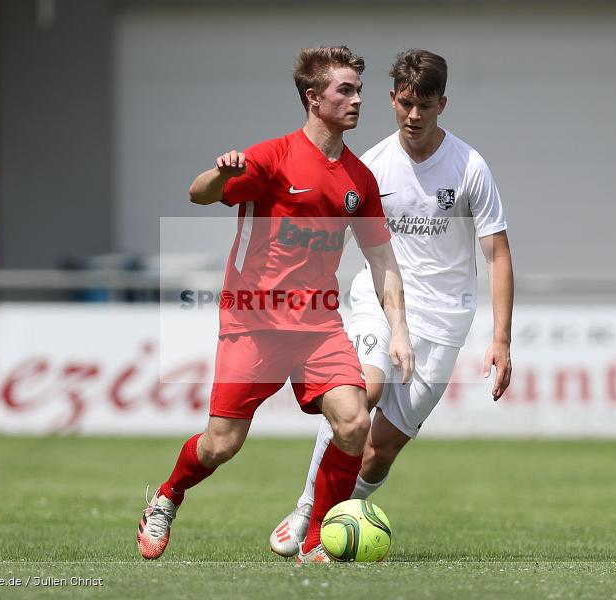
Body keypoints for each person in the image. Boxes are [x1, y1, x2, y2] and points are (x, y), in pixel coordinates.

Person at [136, 46, 414, 563]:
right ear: (313, 98)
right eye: (345, 90)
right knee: (221, 444)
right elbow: (197, 193)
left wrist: (397, 329)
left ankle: (317, 546)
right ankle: (168, 495)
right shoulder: (271, 157)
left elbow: (382, 261)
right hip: (253, 322)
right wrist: (221, 172)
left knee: (354, 421)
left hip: (318, 324)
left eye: (358, 90)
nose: (357, 100)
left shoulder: (359, 179)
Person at [269, 49, 514, 558]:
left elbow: (497, 254)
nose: (414, 116)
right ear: (392, 100)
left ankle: (339, 522)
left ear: (442, 104)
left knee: (379, 454)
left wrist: (501, 338)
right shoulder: (373, 165)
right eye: (405, 103)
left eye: (425, 105)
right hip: (380, 298)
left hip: (445, 319)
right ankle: (308, 513)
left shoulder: (470, 167)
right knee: (362, 393)